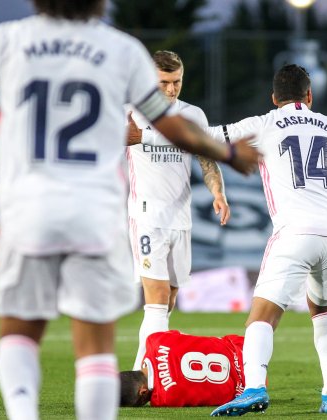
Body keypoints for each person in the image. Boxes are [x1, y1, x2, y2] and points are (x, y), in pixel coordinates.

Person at [0, 1, 259, 419]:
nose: (172, 89)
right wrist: (226, 151)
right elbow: (169, 125)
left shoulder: (7, 39)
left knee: (20, 329)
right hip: (98, 210)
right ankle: (143, 374)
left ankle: (24, 412)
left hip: (29, 204)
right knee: (98, 336)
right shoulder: (120, 50)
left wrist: (214, 175)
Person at [201, 64, 327, 416]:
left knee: (260, 318)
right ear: (309, 96)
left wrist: (148, 133)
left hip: (296, 233)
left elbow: (204, 136)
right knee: (324, 313)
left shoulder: (263, 123)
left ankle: (254, 387)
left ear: (273, 98)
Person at [125, 50, 230, 371]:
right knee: (155, 297)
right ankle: (149, 374)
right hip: (146, 216)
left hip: (180, 218)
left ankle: (143, 367)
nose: (171, 90)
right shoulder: (130, 113)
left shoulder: (193, 115)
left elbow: (206, 158)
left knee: (169, 298)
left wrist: (218, 192)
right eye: (164, 83)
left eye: (177, 82)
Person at [120, 331, 245, 407]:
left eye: (139, 404)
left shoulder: (163, 400)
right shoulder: (154, 340)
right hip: (240, 345)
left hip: (245, 385)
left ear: (142, 391)